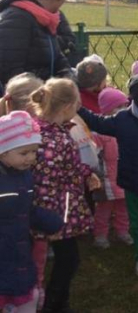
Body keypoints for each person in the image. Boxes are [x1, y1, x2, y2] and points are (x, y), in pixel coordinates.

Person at [78, 74, 138, 278]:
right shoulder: (123, 119)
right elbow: (98, 122)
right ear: (137, 101)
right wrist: (78, 108)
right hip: (132, 181)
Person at [30, 79, 102, 313]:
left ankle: (59, 303)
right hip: (56, 208)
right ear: (66, 107)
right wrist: (86, 174)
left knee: (62, 258)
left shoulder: (39, 129)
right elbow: (61, 172)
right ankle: (53, 303)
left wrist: (84, 173)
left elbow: (64, 167)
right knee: (69, 260)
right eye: (77, 105)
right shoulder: (57, 139)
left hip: (44, 204)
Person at [0, 111, 63, 313]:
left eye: (34, 152)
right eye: (24, 153)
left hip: (18, 249)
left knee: (21, 292)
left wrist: (50, 221)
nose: (31, 158)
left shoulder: (24, 176)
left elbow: (25, 209)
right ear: (3, 152)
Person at [0, 0, 73, 85]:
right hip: (26, 97)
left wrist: (67, 77)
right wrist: (42, 91)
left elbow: (57, 57)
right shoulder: (17, 19)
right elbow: (9, 68)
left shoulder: (45, 18)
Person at [92, 87, 133, 250]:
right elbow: (94, 156)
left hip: (123, 177)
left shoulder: (128, 128)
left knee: (124, 207)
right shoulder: (100, 133)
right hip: (106, 179)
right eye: (118, 107)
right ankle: (100, 234)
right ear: (107, 110)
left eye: (125, 106)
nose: (123, 110)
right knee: (104, 210)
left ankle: (122, 230)